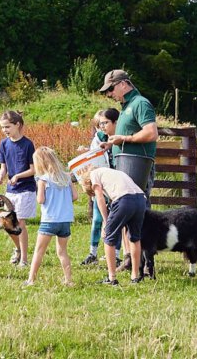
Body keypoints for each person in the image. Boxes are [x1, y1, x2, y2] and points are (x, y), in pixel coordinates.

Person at [98, 68, 158, 272]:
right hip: (126, 163)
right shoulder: (126, 106)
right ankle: (131, 259)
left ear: (123, 84)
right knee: (127, 213)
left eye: (111, 89)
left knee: (137, 212)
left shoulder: (140, 103)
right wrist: (111, 144)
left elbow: (151, 133)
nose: (109, 94)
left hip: (139, 165)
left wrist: (125, 139)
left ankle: (147, 261)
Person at [80, 166, 146, 286]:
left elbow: (99, 197)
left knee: (108, 237)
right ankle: (135, 277)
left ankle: (112, 278)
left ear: (88, 183)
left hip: (125, 199)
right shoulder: (112, 173)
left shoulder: (94, 175)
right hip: (141, 199)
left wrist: (106, 221)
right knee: (134, 238)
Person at [25, 146, 78, 287]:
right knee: (62, 252)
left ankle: (31, 280)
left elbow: (41, 200)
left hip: (50, 220)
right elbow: (75, 196)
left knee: (39, 251)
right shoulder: (66, 177)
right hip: (65, 220)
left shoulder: (43, 180)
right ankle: (68, 280)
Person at [80, 108, 121, 267]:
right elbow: (92, 158)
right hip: (101, 184)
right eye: (100, 124)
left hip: (116, 184)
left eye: (105, 123)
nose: (102, 127)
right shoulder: (98, 138)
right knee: (98, 219)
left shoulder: (120, 138)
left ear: (115, 123)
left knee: (115, 220)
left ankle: (116, 255)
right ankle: (93, 253)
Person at [0, 110, 36, 268]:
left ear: (17, 125)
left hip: (26, 189)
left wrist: (18, 176)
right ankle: (18, 249)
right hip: (10, 190)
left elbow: (33, 170)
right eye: (2, 127)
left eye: (7, 127)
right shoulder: (4, 144)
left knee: (20, 223)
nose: (4, 130)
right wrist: (0, 176)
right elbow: (3, 167)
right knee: (6, 222)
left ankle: (24, 260)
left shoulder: (27, 144)